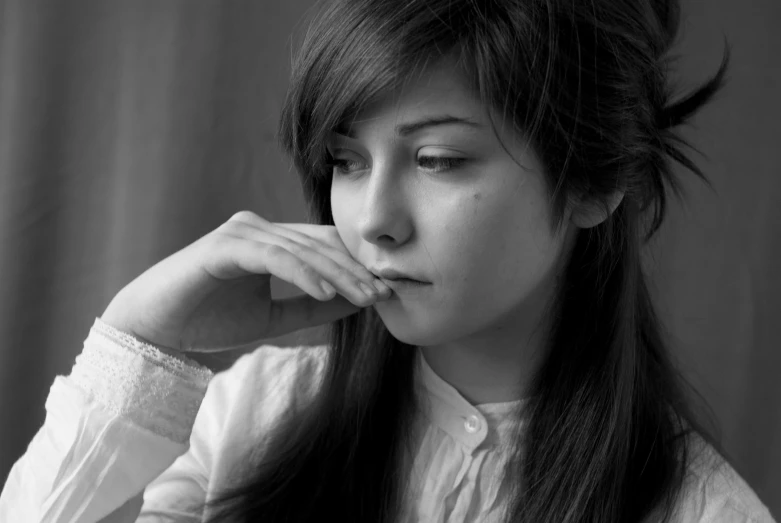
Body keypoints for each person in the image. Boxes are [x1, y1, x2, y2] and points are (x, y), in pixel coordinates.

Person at [0, 0, 776, 521]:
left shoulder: (704, 509)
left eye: (437, 159)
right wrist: (144, 344)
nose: (373, 218)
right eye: (346, 161)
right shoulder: (250, 412)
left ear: (592, 184)